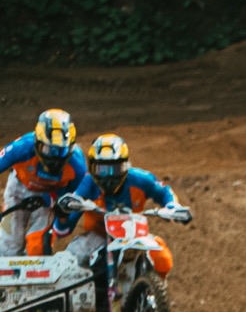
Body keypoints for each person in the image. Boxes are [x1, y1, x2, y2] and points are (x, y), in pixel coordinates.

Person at [61, 134, 193, 272]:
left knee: (163, 260)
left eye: (115, 169)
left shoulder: (140, 179)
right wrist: (67, 206)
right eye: (102, 170)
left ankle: (151, 284)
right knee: (71, 260)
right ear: (92, 168)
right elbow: (74, 199)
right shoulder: (88, 183)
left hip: (134, 234)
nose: (109, 177)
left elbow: (164, 191)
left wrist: (172, 206)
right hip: (98, 236)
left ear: (125, 166)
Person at [0, 109, 89, 256]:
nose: (54, 156)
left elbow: (79, 197)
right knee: (8, 248)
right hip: (19, 188)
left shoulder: (77, 165)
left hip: (49, 197)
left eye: (61, 150)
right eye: (48, 149)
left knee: (37, 248)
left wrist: (59, 210)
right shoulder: (22, 146)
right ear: (37, 143)